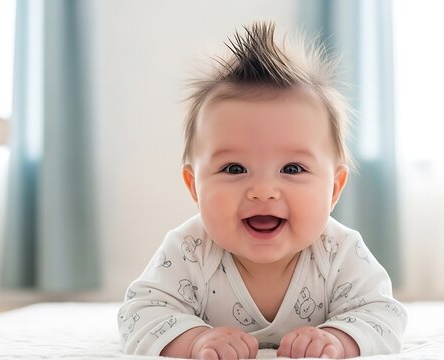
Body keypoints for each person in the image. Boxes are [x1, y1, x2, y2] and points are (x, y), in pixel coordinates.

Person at [118, 21, 407, 359]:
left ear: (334, 188)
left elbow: (383, 315)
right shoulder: (189, 250)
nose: (263, 191)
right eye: (234, 169)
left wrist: (338, 339)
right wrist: (195, 340)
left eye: (292, 169)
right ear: (194, 186)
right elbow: (139, 315)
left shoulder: (339, 252)